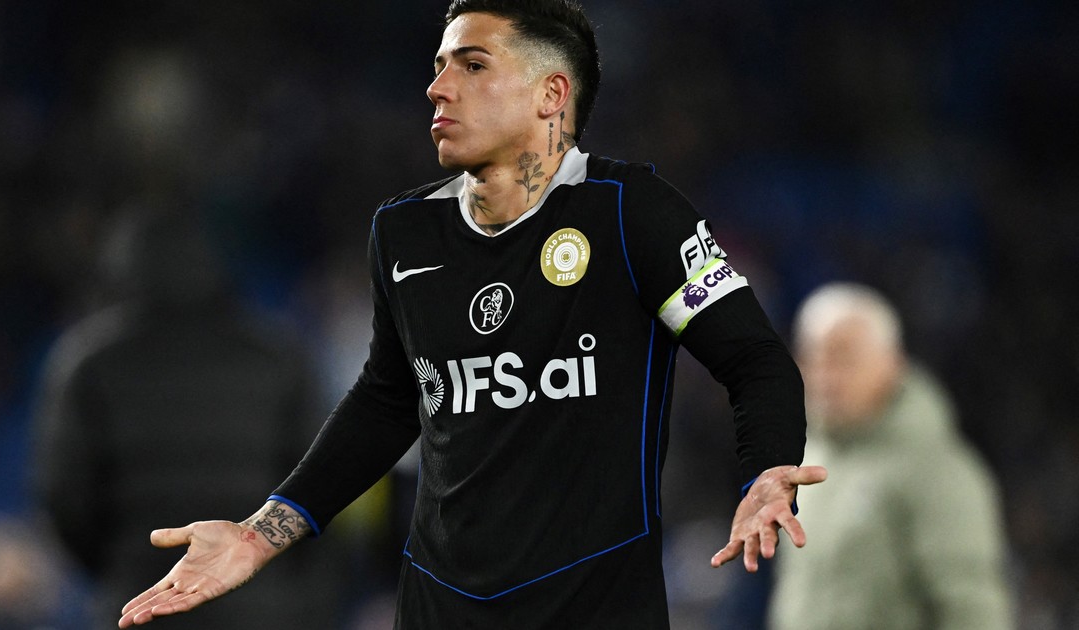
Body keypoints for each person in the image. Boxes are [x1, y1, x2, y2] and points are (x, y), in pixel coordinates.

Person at [118, 1, 827, 627]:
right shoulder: (404, 233)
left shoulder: (631, 212)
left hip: (592, 607)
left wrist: (767, 471)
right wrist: (259, 534)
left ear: (551, 94)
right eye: (438, 66)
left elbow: (754, 359)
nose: (437, 86)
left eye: (472, 65)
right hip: (440, 606)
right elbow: (389, 399)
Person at [34, 208, 343, 628]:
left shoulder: (88, 363)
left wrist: (120, 571)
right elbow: (326, 486)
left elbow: (65, 499)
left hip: (141, 602)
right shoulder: (281, 357)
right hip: (263, 607)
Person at [769, 282, 1013, 629]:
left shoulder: (935, 470)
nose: (825, 376)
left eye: (843, 358)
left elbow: (972, 608)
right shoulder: (806, 457)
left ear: (892, 362)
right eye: (813, 358)